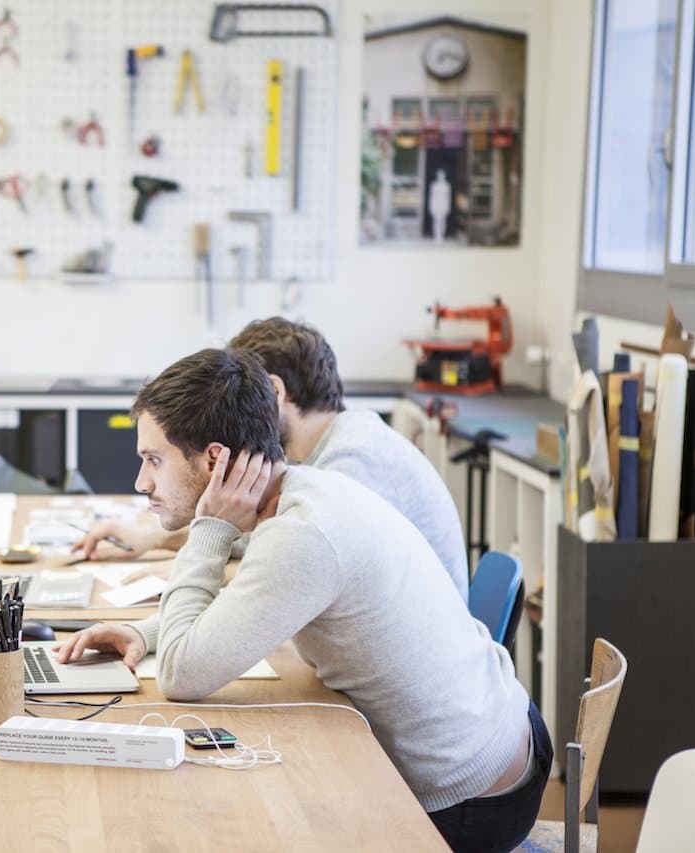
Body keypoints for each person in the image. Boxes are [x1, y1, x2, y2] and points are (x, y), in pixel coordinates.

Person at [56, 348, 550, 853]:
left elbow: (182, 676)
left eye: (153, 461)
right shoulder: (304, 494)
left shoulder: (304, 535)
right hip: (499, 742)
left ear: (213, 460)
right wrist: (147, 633)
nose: (143, 482)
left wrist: (210, 528)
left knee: (244, 822)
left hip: (474, 800)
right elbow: (251, 604)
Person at [74, 317, 469, 602]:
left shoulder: (352, 463)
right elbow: (253, 538)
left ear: (274, 392)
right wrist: (154, 538)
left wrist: (181, 573)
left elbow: (287, 571)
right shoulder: (317, 454)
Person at [429, 168, 452, 242]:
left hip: (443, 203)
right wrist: (431, 207)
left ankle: (442, 235)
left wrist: (448, 207)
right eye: (439, 175)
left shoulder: (447, 186)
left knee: (443, 221)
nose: (441, 177)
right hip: (436, 204)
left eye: (442, 175)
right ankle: (437, 235)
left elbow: (448, 197)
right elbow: (432, 197)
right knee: (436, 221)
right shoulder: (434, 185)